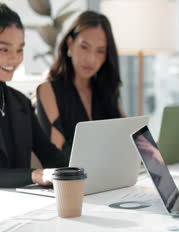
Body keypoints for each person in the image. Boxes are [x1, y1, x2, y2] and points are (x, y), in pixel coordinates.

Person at [36, 11, 122, 162]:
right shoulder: (48, 91)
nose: (91, 59)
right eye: (84, 47)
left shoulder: (105, 91)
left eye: (100, 51)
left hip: (109, 180)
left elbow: (132, 140)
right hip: (71, 182)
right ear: (70, 44)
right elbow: (55, 158)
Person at [0, 3, 67, 188]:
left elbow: (49, 154)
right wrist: (35, 175)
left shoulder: (20, 102)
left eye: (20, 49)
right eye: (4, 49)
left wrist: (80, 169)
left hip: (22, 207)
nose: (14, 59)